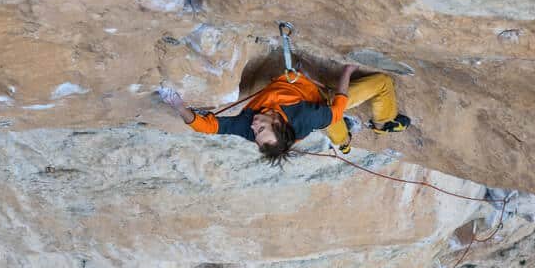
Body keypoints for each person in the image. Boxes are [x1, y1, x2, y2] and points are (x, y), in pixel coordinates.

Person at [159, 67, 411, 164]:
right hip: (322, 104)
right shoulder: (306, 116)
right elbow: (337, 108)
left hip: (311, 106)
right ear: (277, 122)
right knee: (382, 83)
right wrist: (347, 71)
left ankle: (343, 143)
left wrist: (178, 105)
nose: (254, 126)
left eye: (255, 133)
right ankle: (384, 123)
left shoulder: (247, 127)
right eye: (261, 129)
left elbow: (207, 127)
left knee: (334, 125)